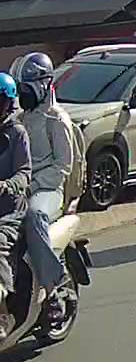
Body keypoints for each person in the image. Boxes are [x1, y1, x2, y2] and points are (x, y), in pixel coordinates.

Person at [15, 53, 74, 320]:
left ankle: (53, 289)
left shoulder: (56, 119)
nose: (23, 94)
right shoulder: (19, 119)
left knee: (33, 215)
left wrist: (33, 184)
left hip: (48, 190)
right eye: (20, 89)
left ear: (44, 83)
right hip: (21, 187)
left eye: (27, 88)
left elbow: (63, 165)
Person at [0, 74, 31, 341]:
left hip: (10, 212)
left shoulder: (17, 133)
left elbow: (24, 173)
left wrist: (6, 185)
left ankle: (3, 314)